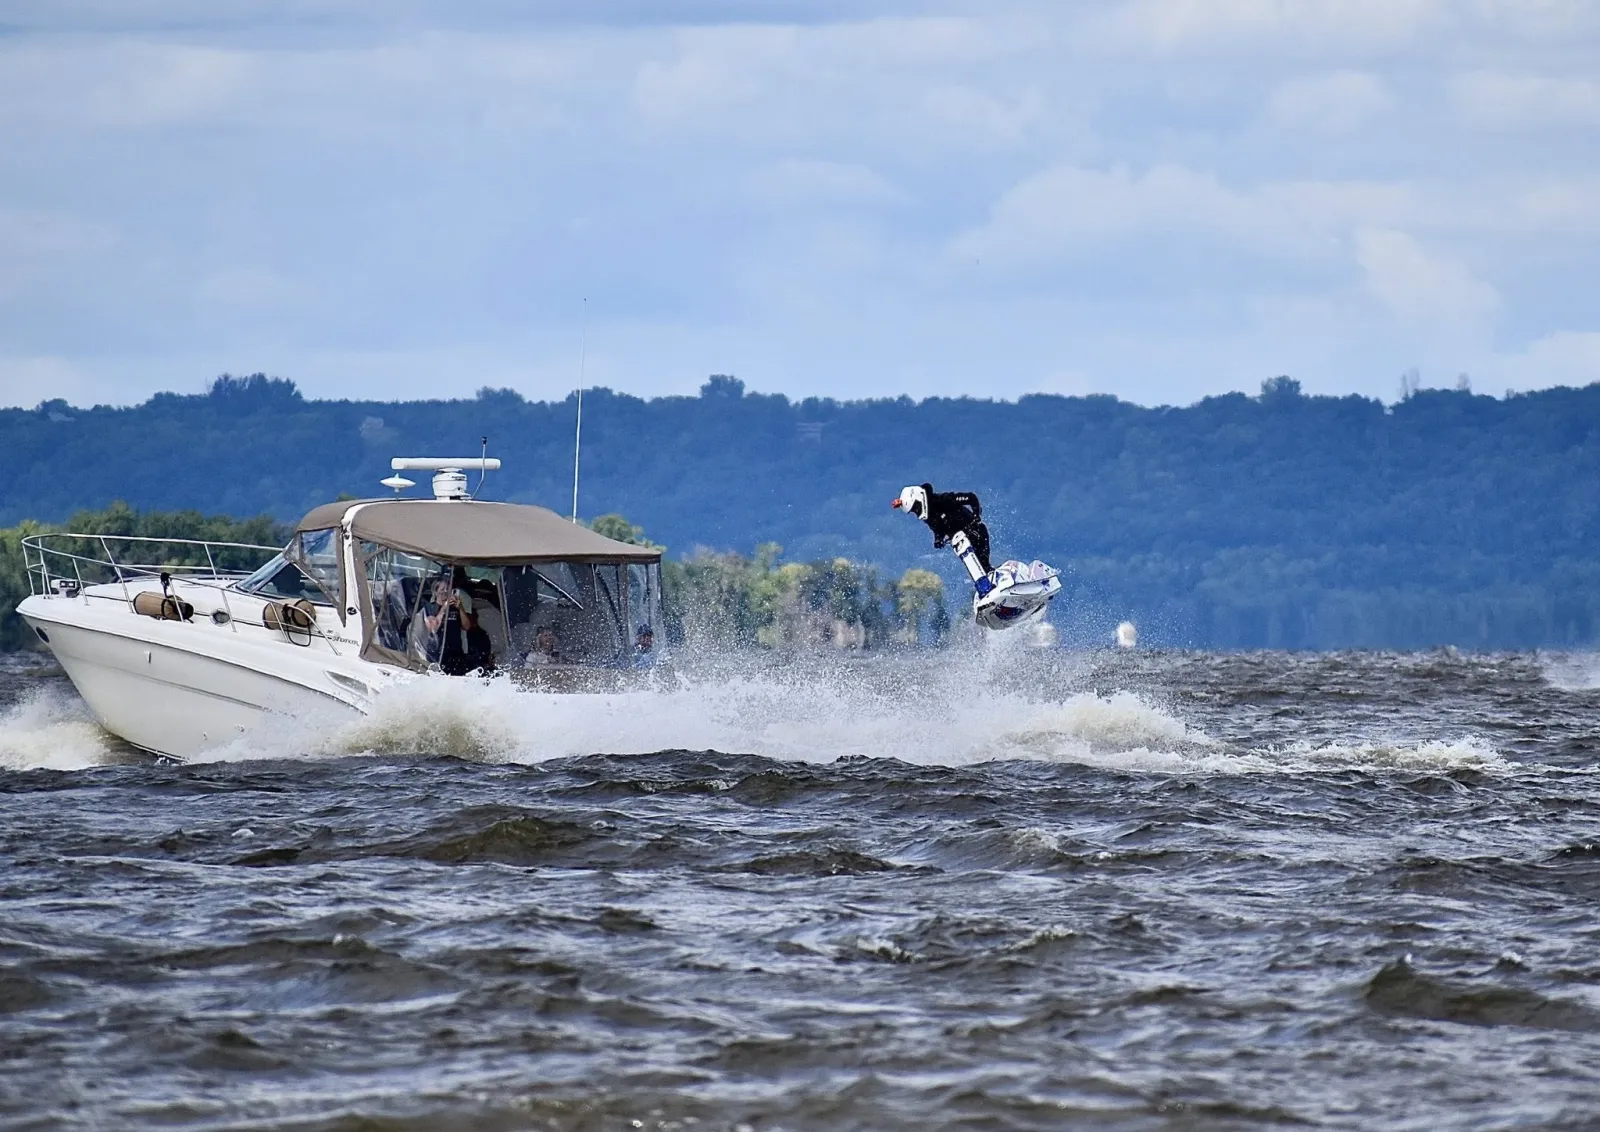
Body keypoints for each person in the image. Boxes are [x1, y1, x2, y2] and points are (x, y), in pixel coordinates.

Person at [893, 483, 992, 573]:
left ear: (920, 497)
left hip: (976, 532)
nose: (917, 511)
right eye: (914, 510)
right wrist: (938, 539)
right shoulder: (928, 516)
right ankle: (986, 584)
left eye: (915, 507)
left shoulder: (943, 500)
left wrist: (976, 516)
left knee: (983, 564)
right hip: (961, 541)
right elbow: (937, 529)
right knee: (977, 568)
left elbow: (971, 498)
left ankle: (992, 575)